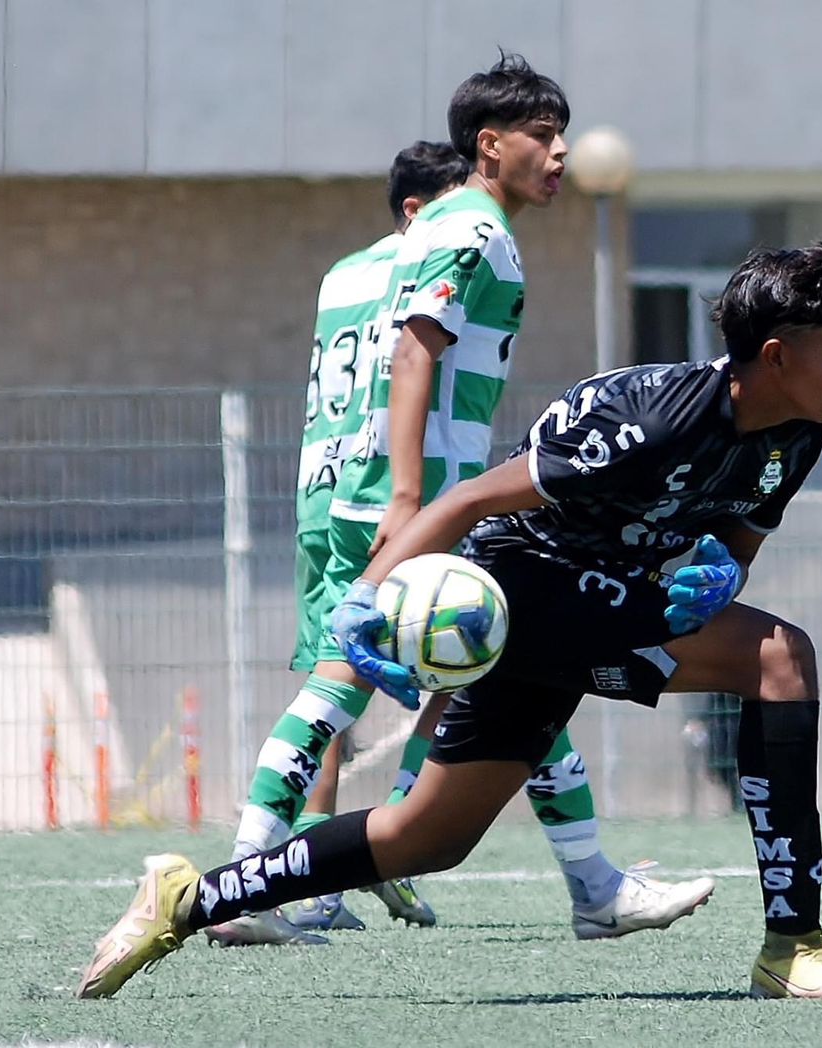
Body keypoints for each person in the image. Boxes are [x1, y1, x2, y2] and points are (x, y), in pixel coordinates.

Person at [78, 236, 822, 1001]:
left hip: (591, 604)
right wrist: (366, 597)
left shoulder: (797, 432)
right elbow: (473, 498)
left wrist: (719, 576)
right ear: (776, 354)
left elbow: (735, 543)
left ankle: (190, 898)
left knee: (423, 840)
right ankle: (793, 944)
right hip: (519, 588)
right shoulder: (645, 417)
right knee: (779, 658)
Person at [220, 53, 712, 944]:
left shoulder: (422, 233)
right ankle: (248, 886)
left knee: (506, 670)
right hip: (415, 498)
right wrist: (412, 497)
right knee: (339, 691)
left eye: (563, 136)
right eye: (543, 136)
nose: (560, 153)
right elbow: (416, 354)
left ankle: (591, 885)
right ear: (489, 145)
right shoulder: (471, 229)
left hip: (369, 492)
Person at [215, 139, 470, 945]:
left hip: (322, 491)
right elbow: (410, 367)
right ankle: (385, 839)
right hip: (391, 496)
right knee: (474, 658)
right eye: (458, 199)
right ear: (417, 209)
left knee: (332, 683)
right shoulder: (422, 264)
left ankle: (311, 878)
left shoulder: (342, 271)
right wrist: (409, 489)